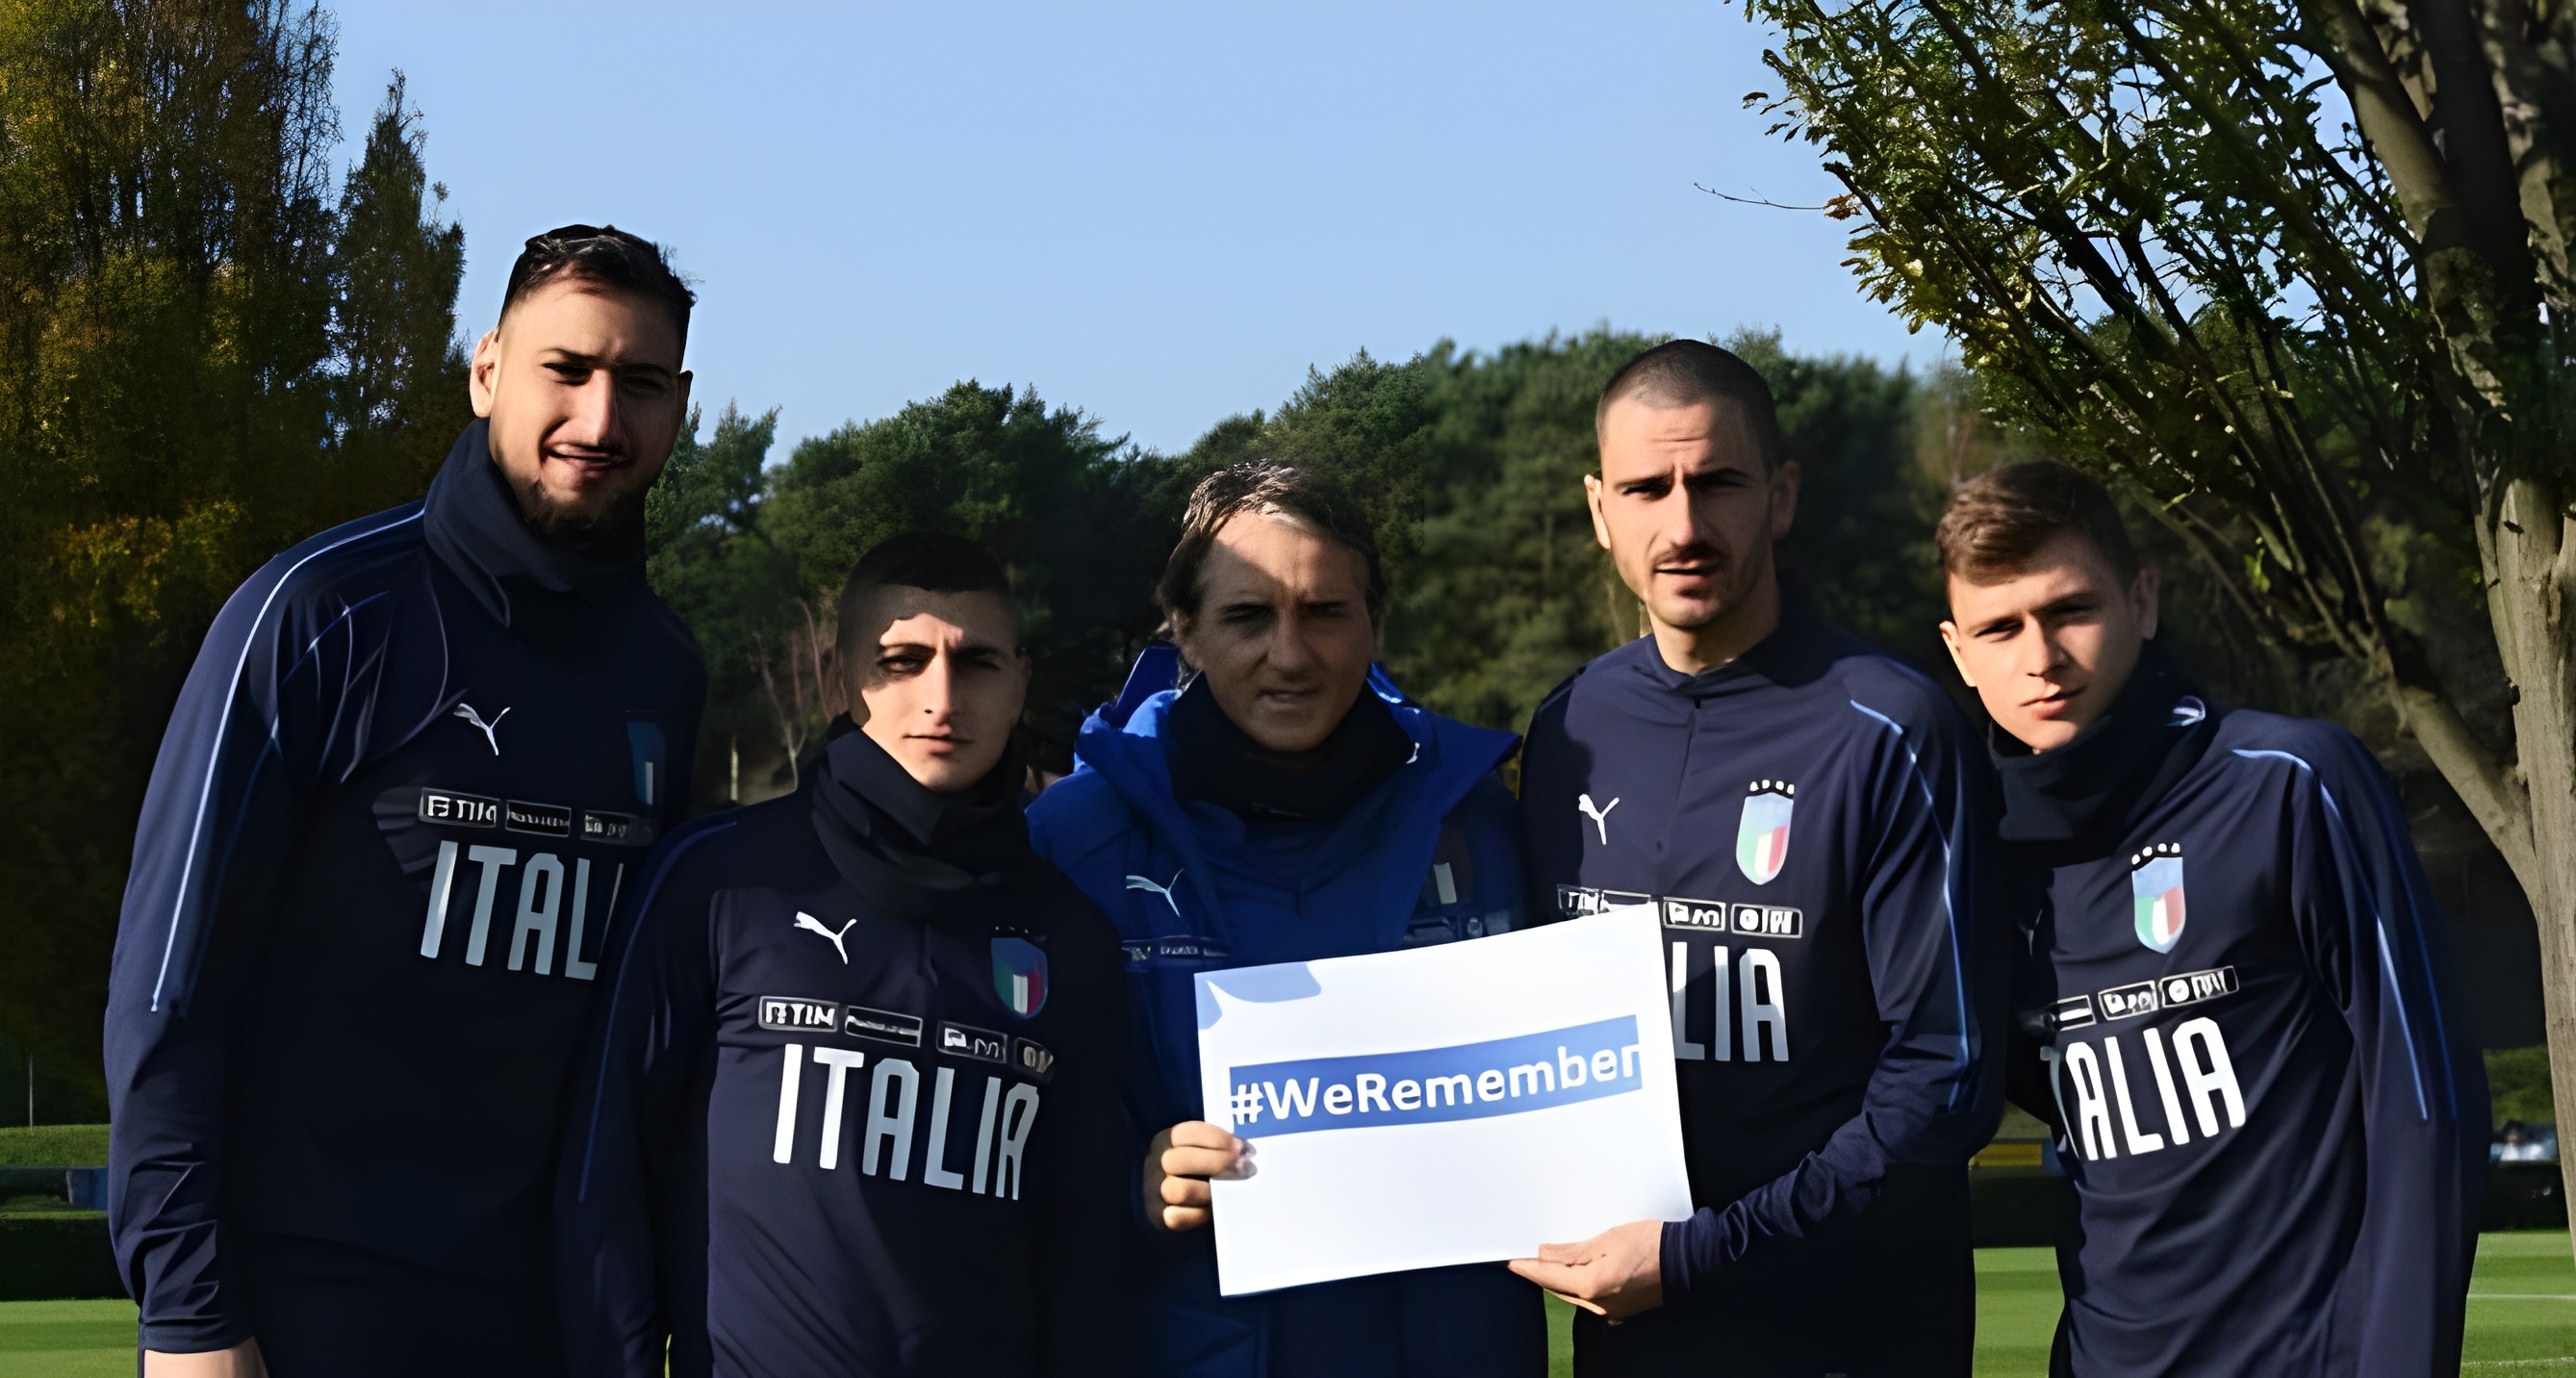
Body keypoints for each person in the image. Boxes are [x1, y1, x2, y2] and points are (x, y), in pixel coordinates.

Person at [104, 225, 706, 1378]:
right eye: (565, 370)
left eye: (638, 383)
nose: (599, 418)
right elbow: (169, 995)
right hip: (301, 1299)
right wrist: (187, 1318)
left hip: (538, 1315)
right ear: (486, 372)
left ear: (679, 405)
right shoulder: (319, 612)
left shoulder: (665, 671)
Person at [1510, 340, 2003, 1376]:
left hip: (1852, 1337)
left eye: (1716, 483)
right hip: (1633, 1343)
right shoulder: (1569, 727)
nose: (1683, 525)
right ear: (1600, 510)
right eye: (1647, 488)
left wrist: (1702, 1254)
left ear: (1778, 496)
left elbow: (1945, 1078)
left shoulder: (1893, 726)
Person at [1936, 460, 2486, 1376]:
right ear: (1959, 654)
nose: (2039, 657)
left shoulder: (2292, 782)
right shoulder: (1973, 863)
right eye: (2000, 628)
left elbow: (2425, 1107)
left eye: (2070, 610)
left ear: (2141, 601)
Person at [555, 533, 1131, 1377]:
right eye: (902, 660)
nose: (941, 696)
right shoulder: (714, 878)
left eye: (975, 663)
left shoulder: (1075, 937)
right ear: (841, 681)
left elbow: (1083, 1257)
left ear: (1020, 683)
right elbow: (602, 1180)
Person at [1027, 461, 1545, 1378]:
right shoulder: (1070, 842)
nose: (1290, 654)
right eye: (1247, 616)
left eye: (1324, 612)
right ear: (1182, 628)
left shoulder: (1480, 825)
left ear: (1375, 622)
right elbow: (998, 1126)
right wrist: (1132, 1186)